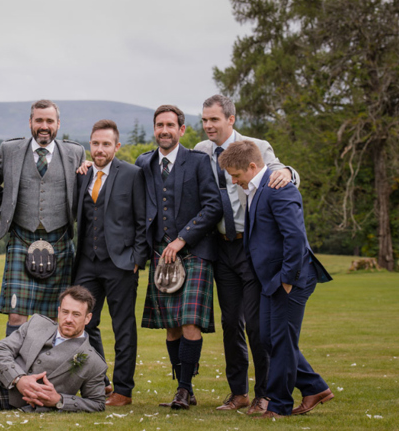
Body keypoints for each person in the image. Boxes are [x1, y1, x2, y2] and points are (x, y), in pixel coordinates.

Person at [194, 94, 300, 414]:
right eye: (204, 120)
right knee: (230, 323)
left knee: (255, 324)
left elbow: (281, 173)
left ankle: (263, 394)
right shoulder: (201, 151)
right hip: (222, 246)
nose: (208, 125)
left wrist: (291, 172)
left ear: (231, 119)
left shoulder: (257, 145)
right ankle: (237, 392)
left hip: (251, 247)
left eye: (214, 119)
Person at [218, 140, 333, 419]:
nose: (234, 181)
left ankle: (279, 406)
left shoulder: (279, 188)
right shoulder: (257, 187)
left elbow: (295, 237)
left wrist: (288, 279)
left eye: (236, 175)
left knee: (280, 342)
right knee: (269, 339)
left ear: (253, 166)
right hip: (269, 279)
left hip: (290, 279)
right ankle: (314, 387)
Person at [135, 104, 222, 410]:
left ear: (182, 130)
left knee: (189, 323)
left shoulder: (198, 162)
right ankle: (184, 385)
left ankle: (183, 390)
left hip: (195, 252)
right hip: (160, 254)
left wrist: (183, 238)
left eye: (170, 125)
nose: (164, 130)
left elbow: (213, 206)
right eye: (159, 125)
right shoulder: (143, 163)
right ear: (154, 129)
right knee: (171, 325)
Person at [0, 99, 85, 336]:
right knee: (16, 313)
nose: (44, 126)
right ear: (30, 122)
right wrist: (8, 206)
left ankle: (48, 367)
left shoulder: (75, 153)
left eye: (49, 121)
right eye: (39, 120)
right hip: (22, 237)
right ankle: (14, 369)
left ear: (58, 123)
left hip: (60, 239)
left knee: (57, 313)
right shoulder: (9, 150)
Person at [72, 120, 147, 406]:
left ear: (116, 146)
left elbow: (142, 220)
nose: (100, 148)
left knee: (123, 327)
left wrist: (137, 259)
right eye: (95, 143)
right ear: (90, 145)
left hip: (121, 263)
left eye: (106, 144)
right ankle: (99, 380)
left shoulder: (132, 174)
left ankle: (124, 390)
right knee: (84, 325)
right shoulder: (83, 174)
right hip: (87, 263)